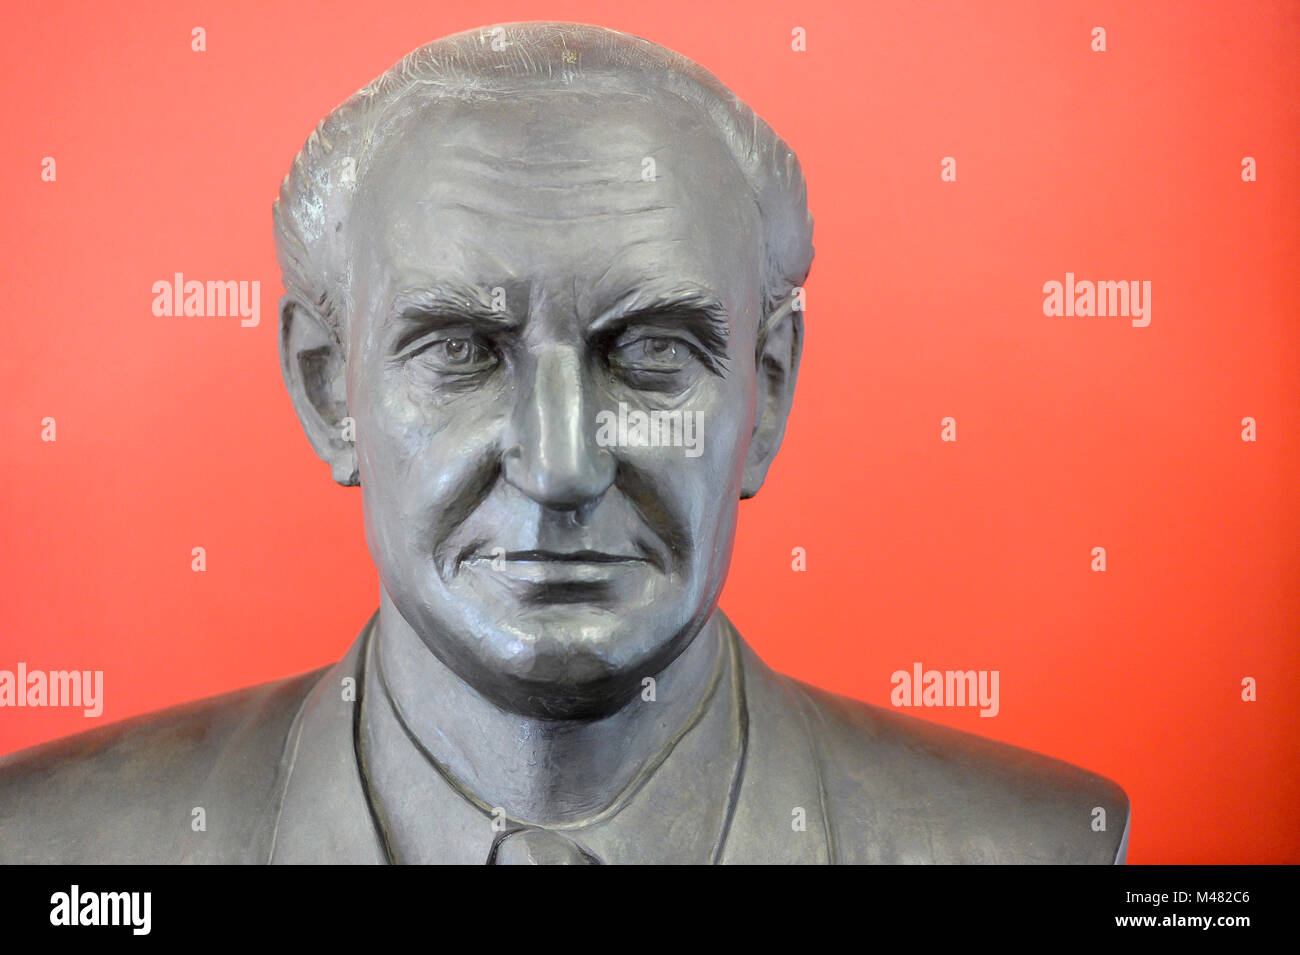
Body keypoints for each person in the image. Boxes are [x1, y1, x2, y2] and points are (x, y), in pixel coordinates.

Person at [0, 22, 1128, 864]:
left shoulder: (1036, 843)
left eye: (646, 351)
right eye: (460, 351)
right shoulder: (59, 845)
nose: (560, 466)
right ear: (323, 388)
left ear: (765, 394)